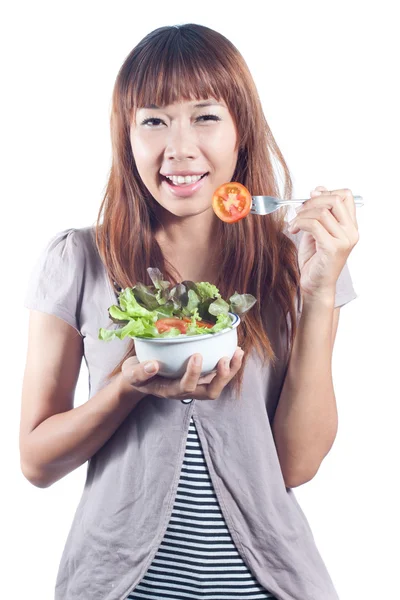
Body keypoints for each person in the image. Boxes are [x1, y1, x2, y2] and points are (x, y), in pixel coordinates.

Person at [20, 23, 359, 600]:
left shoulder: (293, 260)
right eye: (153, 120)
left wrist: (319, 293)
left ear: (239, 132)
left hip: (266, 585)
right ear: (126, 137)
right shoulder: (77, 259)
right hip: (116, 586)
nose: (179, 148)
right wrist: (126, 388)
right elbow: (37, 461)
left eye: (205, 116)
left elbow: (297, 465)